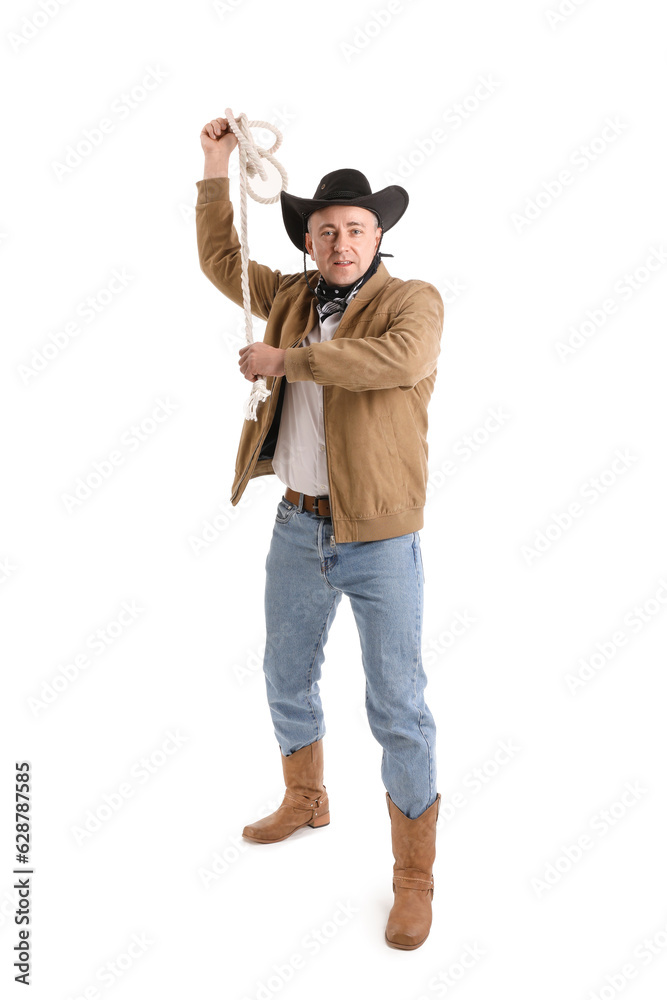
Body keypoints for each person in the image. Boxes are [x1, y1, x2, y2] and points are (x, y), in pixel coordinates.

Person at [196, 114, 445, 950]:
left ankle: (414, 878)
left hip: (380, 540)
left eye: (356, 230)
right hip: (296, 528)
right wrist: (213, 165)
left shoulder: (411, 302)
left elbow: (393, 363)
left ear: (379, 236)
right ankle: (306, 799)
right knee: (283, 673)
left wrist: (288, 361)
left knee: (398, 707)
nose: (341, 243)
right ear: (308, 239)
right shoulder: (293, 296)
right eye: (326, 231)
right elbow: (222, 265)